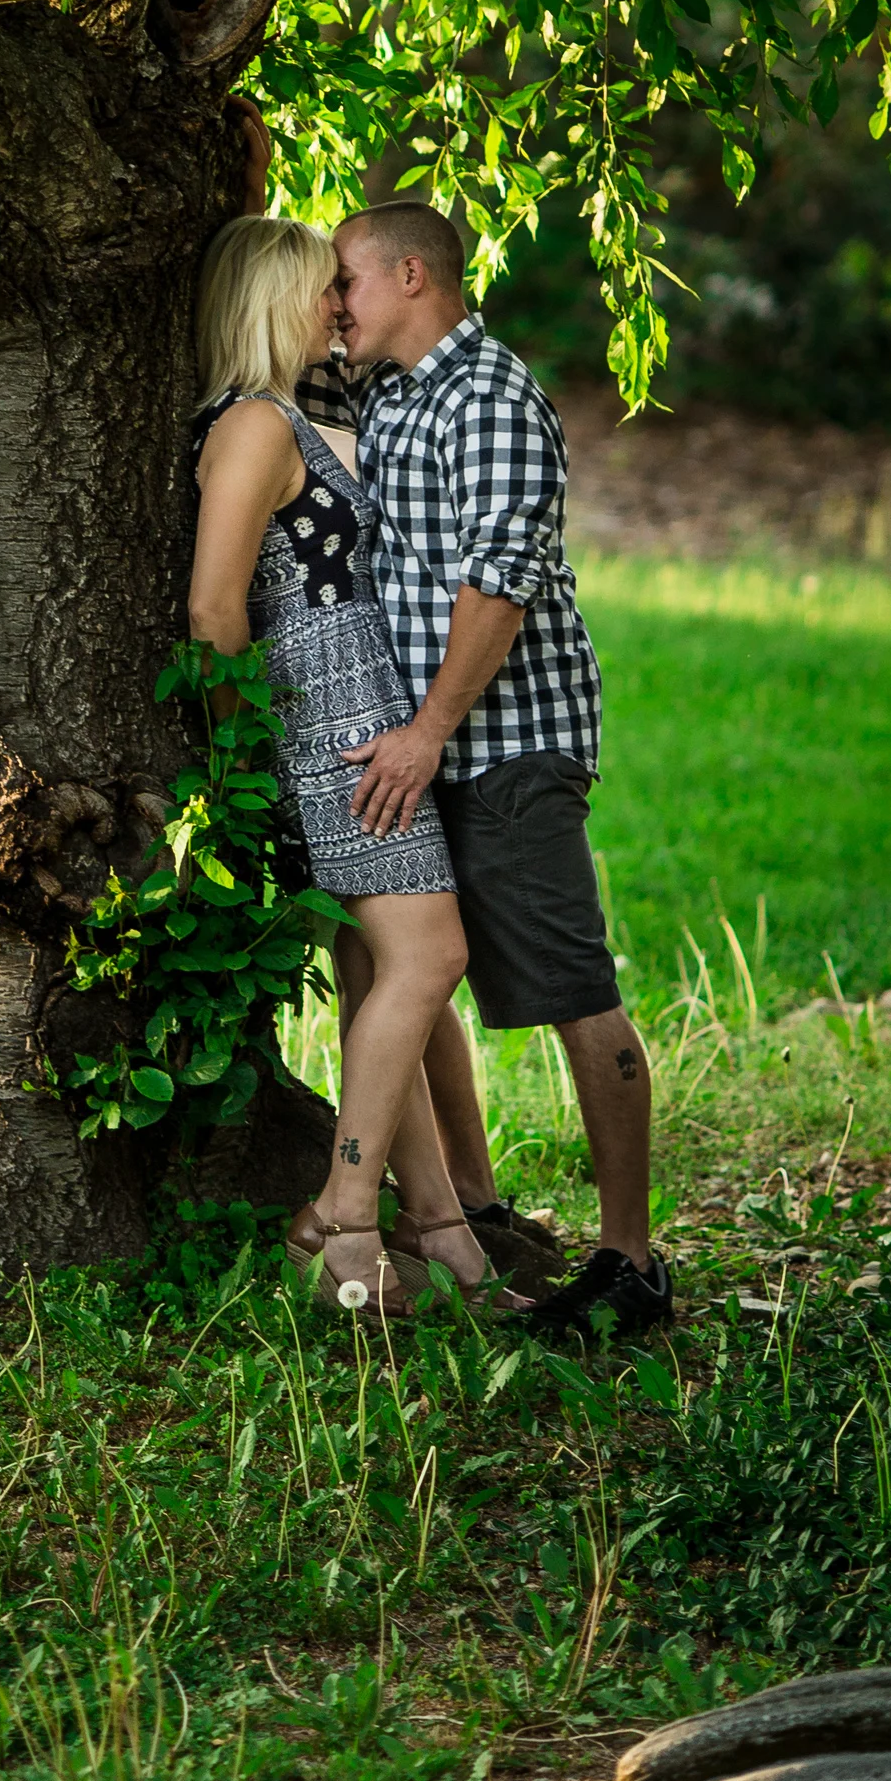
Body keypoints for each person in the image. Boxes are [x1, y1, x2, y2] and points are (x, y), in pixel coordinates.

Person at [333, 197, 674, 1343]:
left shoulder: (489, 397)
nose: (337, 304)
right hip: (417, 748)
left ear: (413, 276)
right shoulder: (384, 391)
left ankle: (630, 1262)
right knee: (405, 970)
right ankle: (471, 1210)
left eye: (349, 282)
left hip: (506, 742)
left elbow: (501, 581)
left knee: (572, 991)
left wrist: (427, 728)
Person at [185, 215, 512, 1318]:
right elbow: (215, 609)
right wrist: (249, 756)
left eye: (343, 288)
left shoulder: (297, 416)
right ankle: (341, 1214)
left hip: (364, 715)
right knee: (429, 956)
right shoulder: (248, 427)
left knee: (388, 970)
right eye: (320, 290)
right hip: (328, 725)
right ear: (270, 300)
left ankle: (448, 1238)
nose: (339, 304)